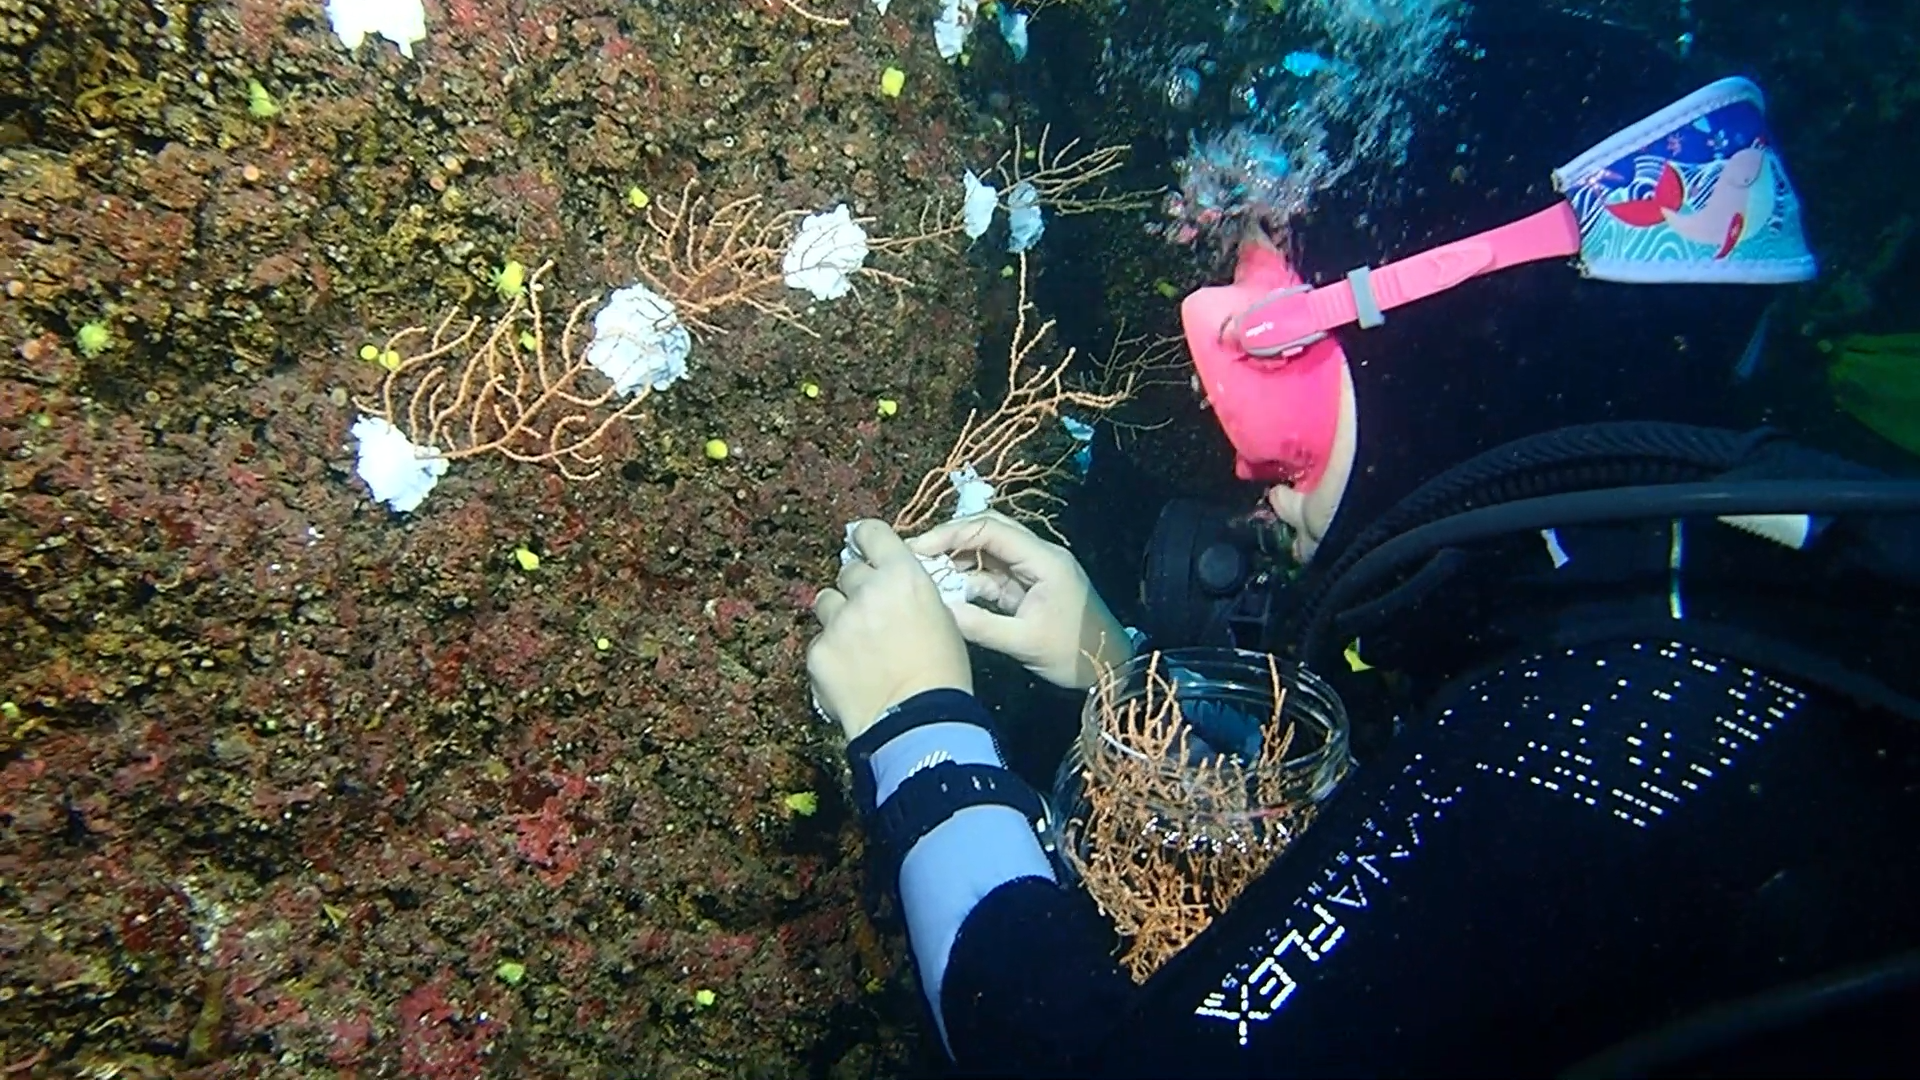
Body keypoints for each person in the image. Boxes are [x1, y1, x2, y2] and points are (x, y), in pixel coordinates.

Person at [808, 8, 1920, 1078]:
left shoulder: (1592, 729)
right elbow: (1401, 900)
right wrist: (1124, 676)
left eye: (1267, 360)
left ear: (1461, 365)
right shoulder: (1721, 611)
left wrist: (921, 733)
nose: (1245, 463)